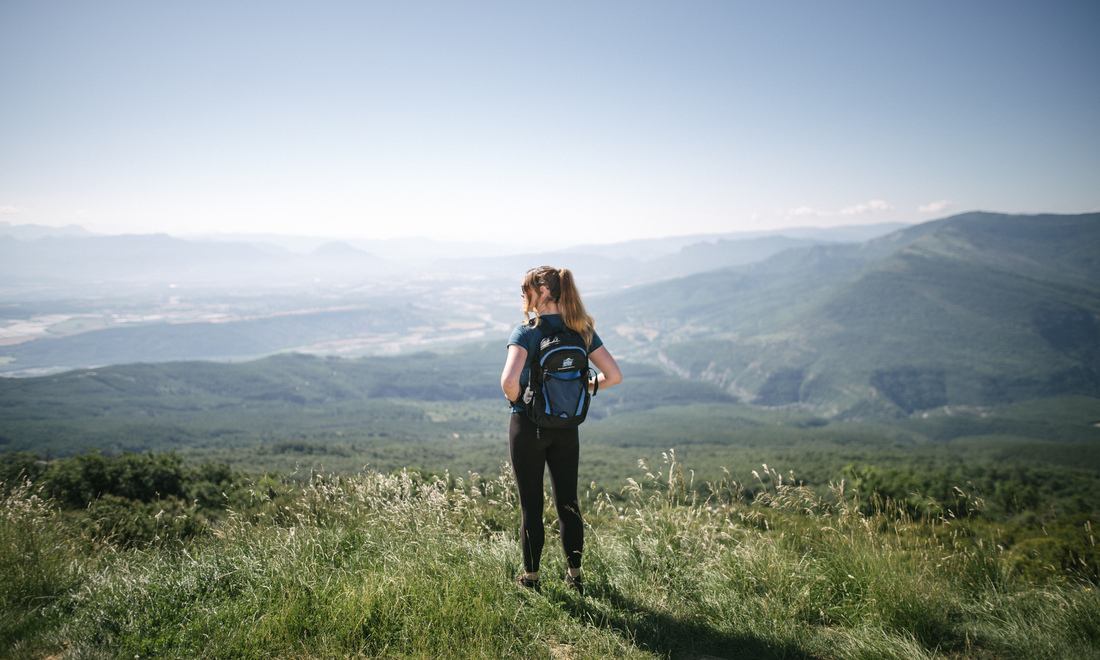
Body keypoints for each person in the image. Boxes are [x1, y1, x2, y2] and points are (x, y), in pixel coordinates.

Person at [500, 266, 623, 595]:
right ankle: (575, 575)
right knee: (568, 502)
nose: (523, 297)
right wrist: (587, 386)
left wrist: (523, 404)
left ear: (541, 293)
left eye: (525, 290)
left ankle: (531, 577)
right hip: (568, 426)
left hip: (528, 426)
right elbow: (614, 375)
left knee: (531, 506)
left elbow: (509, 382)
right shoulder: (581, 330)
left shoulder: (527, 332)